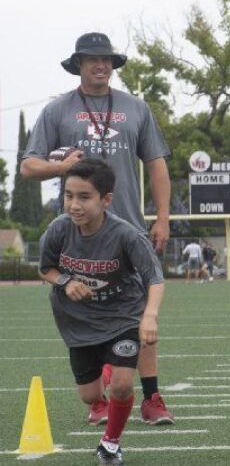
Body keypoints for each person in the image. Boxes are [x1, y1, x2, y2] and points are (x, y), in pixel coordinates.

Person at [20, 32, 174, 426]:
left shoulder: (136, 107)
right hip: (79, 231)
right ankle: (99, 389)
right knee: (85, 305)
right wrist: (61, 167)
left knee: (140, 309)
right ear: (78, 65)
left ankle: (153, 397)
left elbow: (156, 163)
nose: (100, 65)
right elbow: (28, 166)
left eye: (105, 59)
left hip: (130, 226)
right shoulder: (58, 110)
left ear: (113, 64)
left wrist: (162, 217)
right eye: (91, 60)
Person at [38, 159, 165, 465]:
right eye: (69, 195)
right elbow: (46, 269)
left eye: (84, 197)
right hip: (78, 322)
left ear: (106, 199)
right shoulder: (58, 229)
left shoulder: (126, 235)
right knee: (90, 395)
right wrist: (66, 282)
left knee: (122, 386)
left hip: (122, 317)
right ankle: (106, 367)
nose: (74, 205)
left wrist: (149, 316)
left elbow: (155, 278)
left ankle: (110, 444)